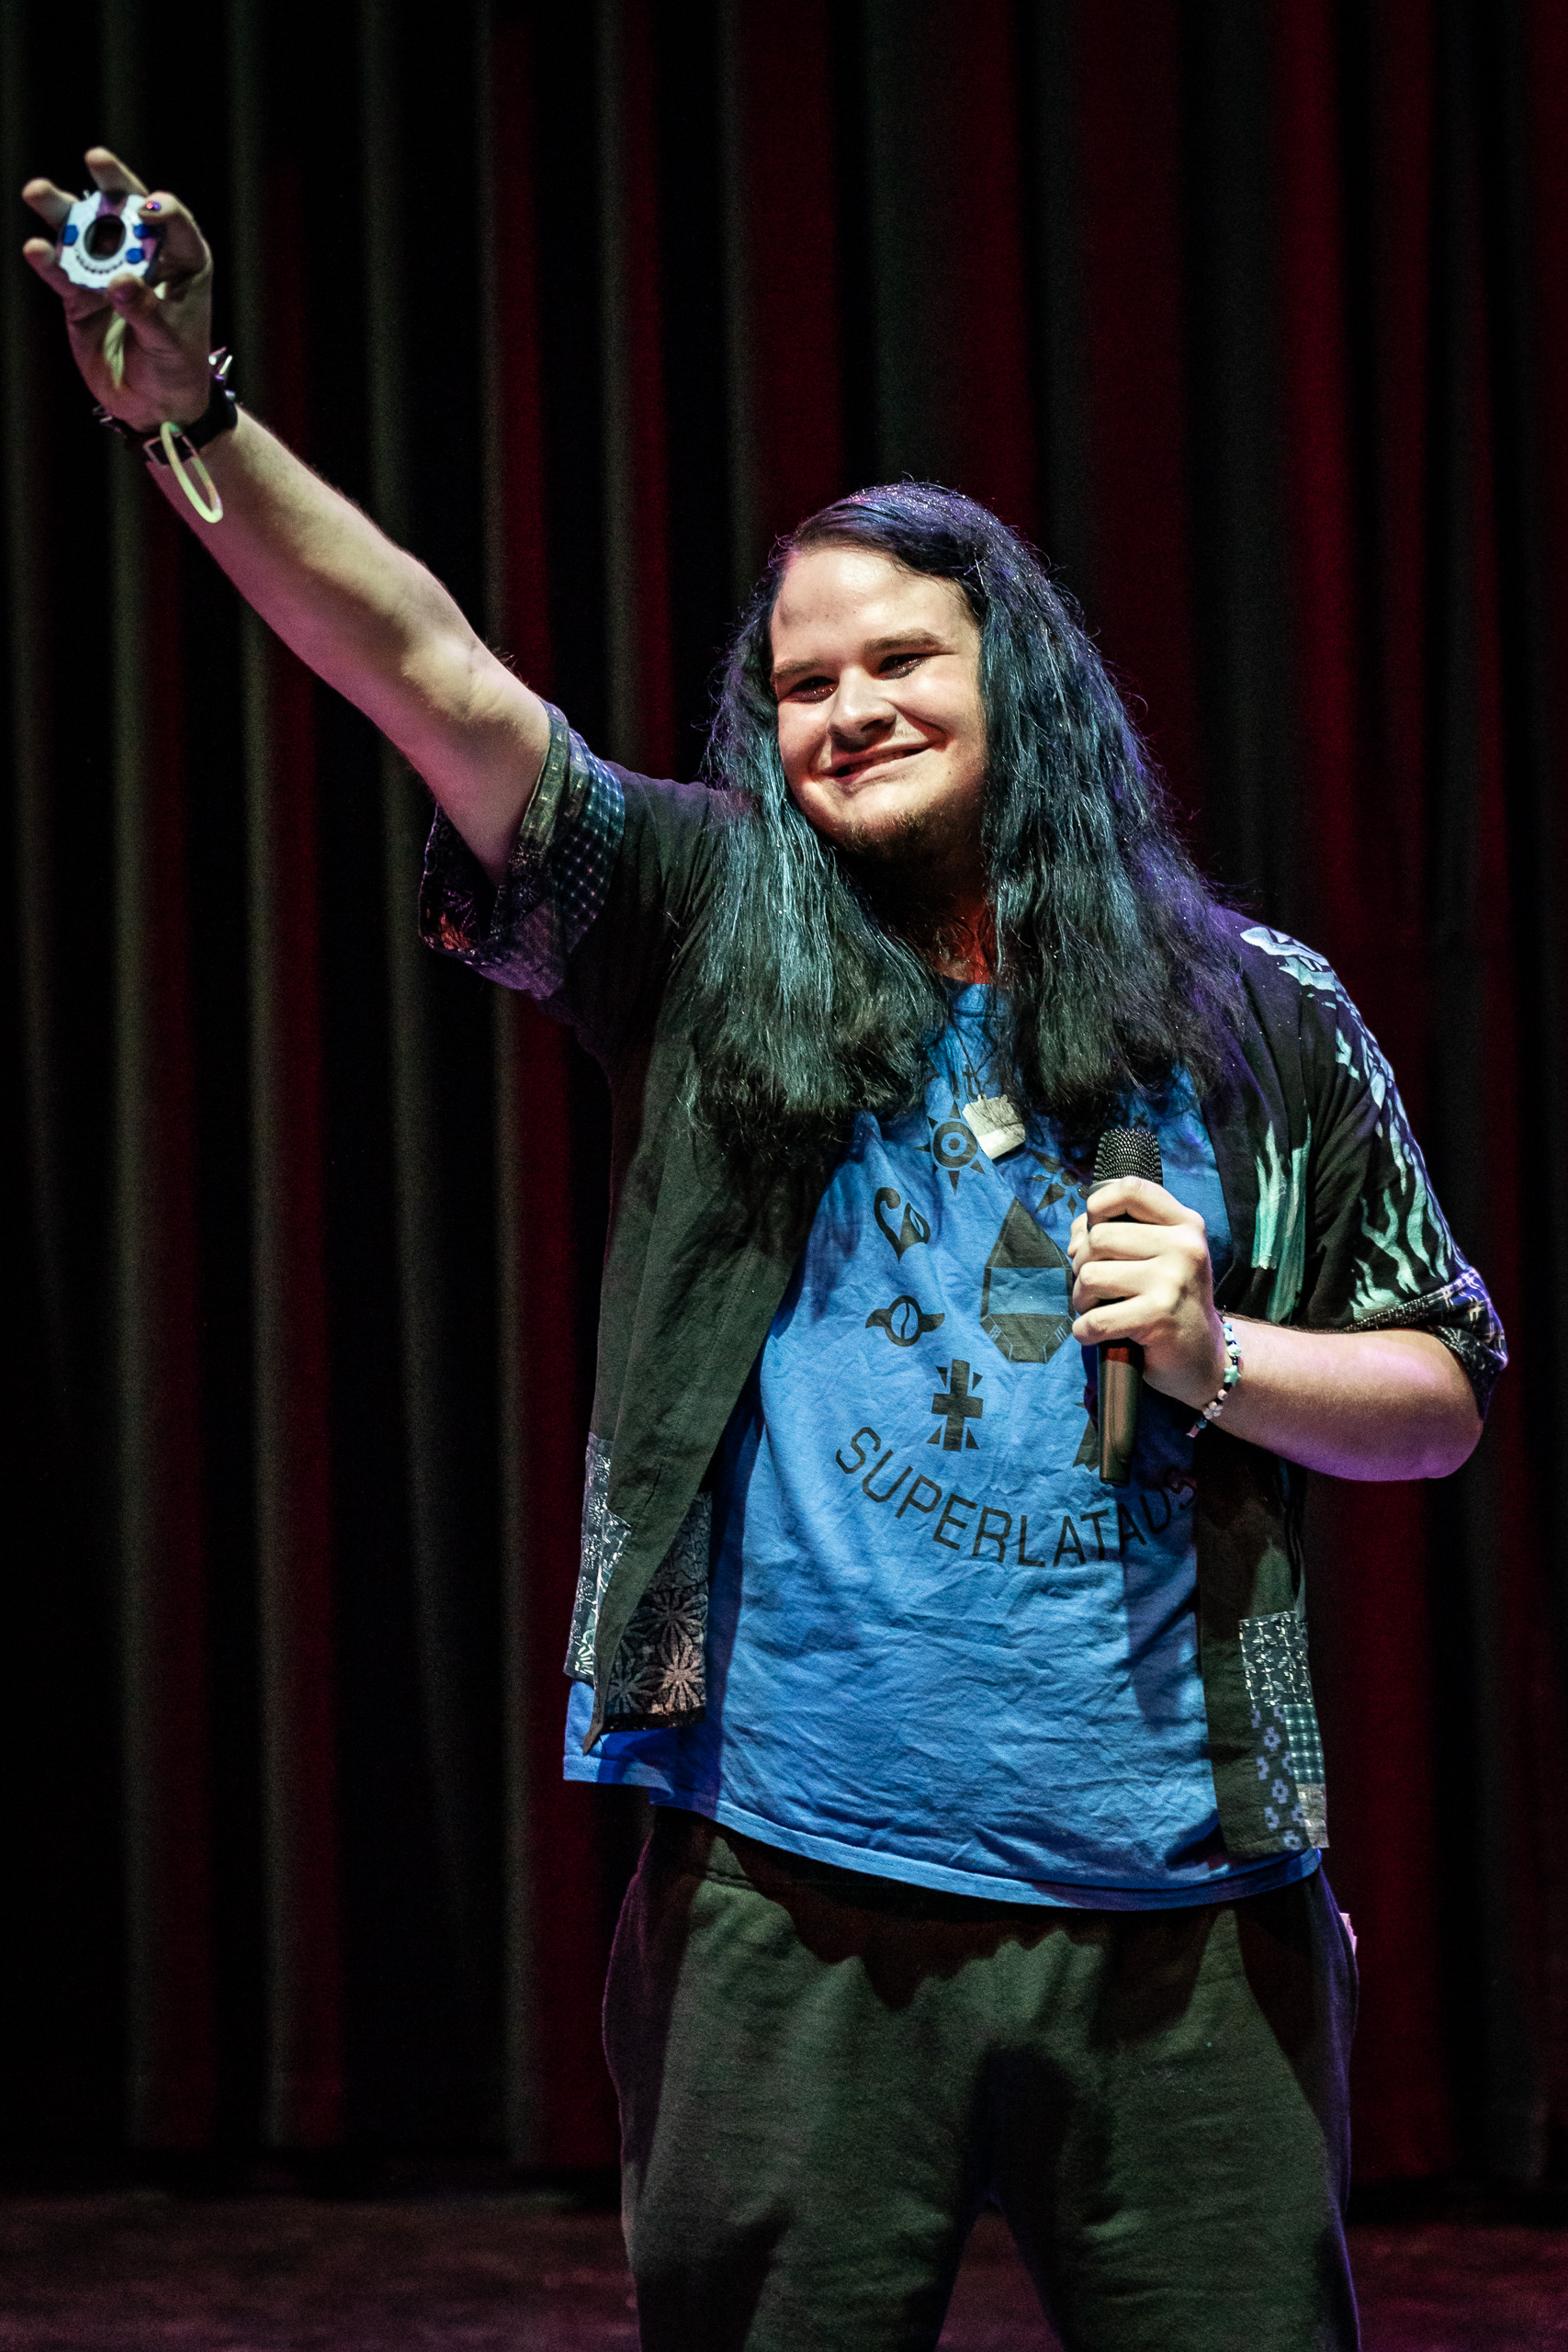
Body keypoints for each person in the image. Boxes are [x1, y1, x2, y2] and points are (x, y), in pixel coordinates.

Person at [24, 153, 1505, 2352]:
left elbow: (1441, 1401)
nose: (846, 710)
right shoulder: (708, 924)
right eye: (803, 682)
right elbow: (428, 669)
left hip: (1188, 1920)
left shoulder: (1254, 1007)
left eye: (899, 659)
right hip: (783, 1904)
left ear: (1022, 685)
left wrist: (1220, 1356)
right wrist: (195, 418)